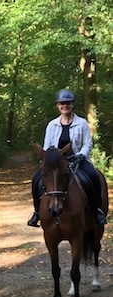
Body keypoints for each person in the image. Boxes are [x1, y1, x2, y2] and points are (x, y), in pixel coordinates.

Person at [28, 88, 107, 227]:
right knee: (36, 179)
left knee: (93, 177)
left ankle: (96, 210)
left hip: (77, 159)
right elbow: (47, 146)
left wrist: (80, 155)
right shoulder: (52, 125)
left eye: (68, 103)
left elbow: (87, 144)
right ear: (58, 106)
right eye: (62, 104)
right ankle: (37, 213)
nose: (65, 106)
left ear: (73, 104)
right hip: (56, 162)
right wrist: (48, 158)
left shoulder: (81, 123)